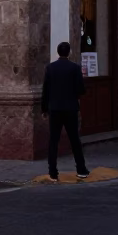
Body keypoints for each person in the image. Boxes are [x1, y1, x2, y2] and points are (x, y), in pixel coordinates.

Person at [41, 41, 90, 182]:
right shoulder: (75, 68)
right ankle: (81, 169)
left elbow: (46, 90)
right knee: (75, 140)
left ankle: (53, 172)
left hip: (55, 109)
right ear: (69, 52)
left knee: (53, 141)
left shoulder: (50, 68)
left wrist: (44, 109)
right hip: (70, 109)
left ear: (58, 52)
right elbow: (81, 89)